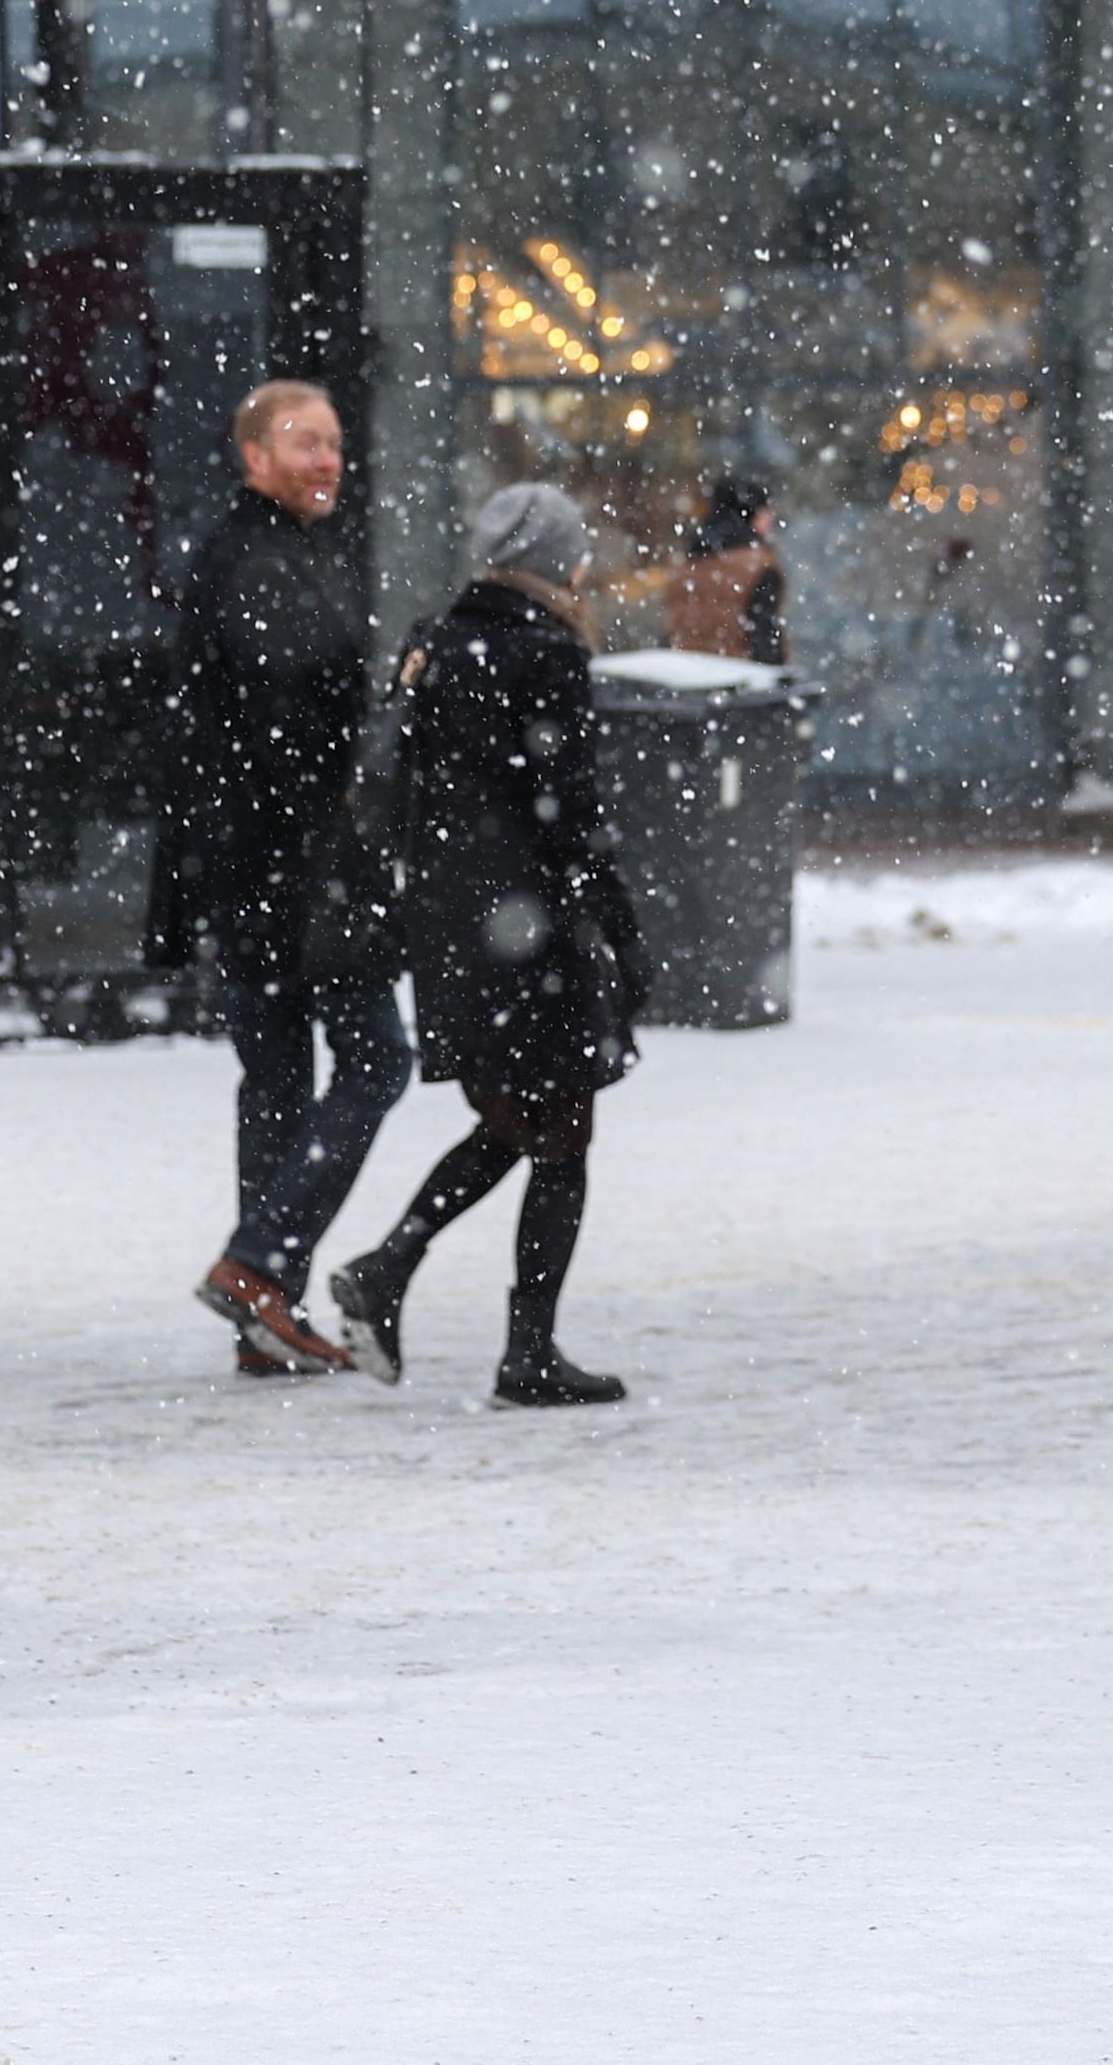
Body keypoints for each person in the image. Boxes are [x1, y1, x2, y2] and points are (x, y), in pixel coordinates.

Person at [323, 484, 644, 1410]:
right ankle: (521, 1347)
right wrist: (616, 926)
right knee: (559, 1128)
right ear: (553, 561)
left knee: (521, 1120)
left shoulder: (441, 641)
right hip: (530, 927)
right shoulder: (546, 649)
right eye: (576, 551)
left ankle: (393, 1271)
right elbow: (570, 812)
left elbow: (407, 780)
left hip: (457, 925)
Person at [170, 378, 396, 1378]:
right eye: (303, 442)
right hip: (290, 872)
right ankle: (261, 1265)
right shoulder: (256, 559)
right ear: (251, 455)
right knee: (373, 1061)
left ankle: (265, 1307)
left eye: (333, 443)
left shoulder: (283, 552)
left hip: (261, 868)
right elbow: (289, 718)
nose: (325, 459)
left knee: (274, 1080)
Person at [663, 473, 786, 665]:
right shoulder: (758, 566)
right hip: (738, 681)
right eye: (765, 512)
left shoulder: (684, 563)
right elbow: (765, 639)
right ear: (751, 514)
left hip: (686, 678)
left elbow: (673, 630)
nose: (770, 519)